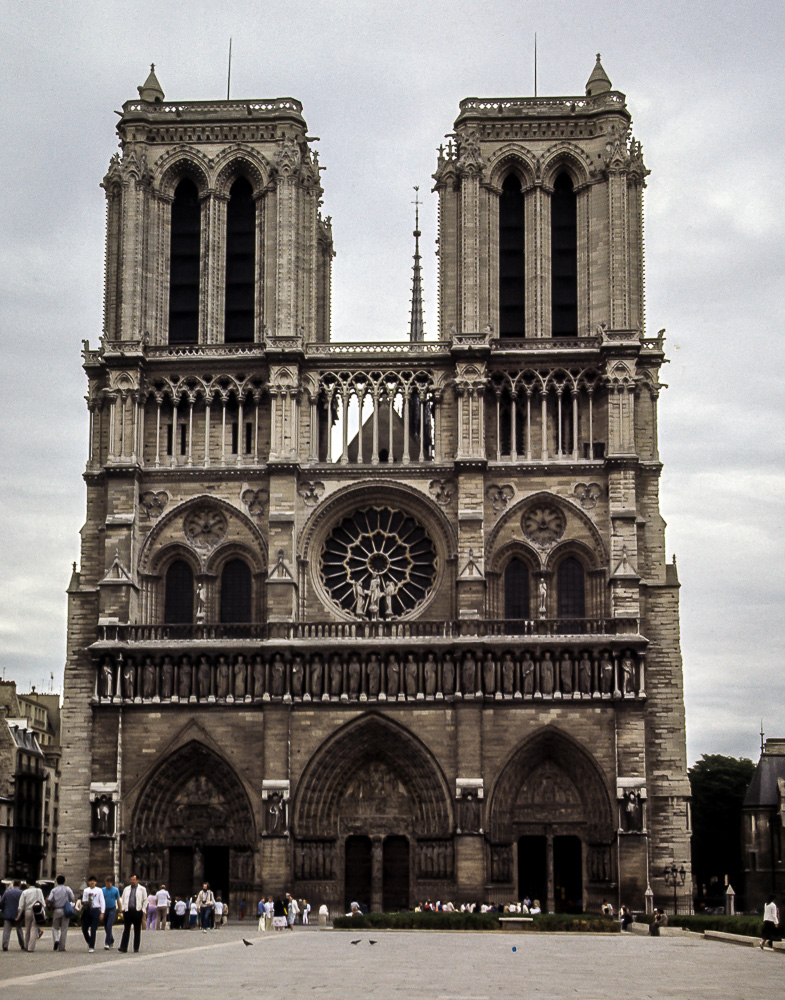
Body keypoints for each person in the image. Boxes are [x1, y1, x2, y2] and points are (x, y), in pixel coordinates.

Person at [118, 874, 148, 953]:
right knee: (126, 929)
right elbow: (123, 899)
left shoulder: (142, 889)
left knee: (137, 930)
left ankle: (136, 947)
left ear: (137, 880)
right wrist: (123, 910)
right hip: (128, 911)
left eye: (134, 880)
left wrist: (143, 910)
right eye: (131, 879)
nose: (132, 881)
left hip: (137, 911)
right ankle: (123, 947)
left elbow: (145, 900)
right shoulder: (126, 889)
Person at [17, 881, 47, 952]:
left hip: (28, 911)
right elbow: (43, 903)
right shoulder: (39, 891)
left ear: (28, 884)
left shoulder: (25, 892)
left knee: (27, 929)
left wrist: (19, 915)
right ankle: (31, 948)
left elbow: (21, 906)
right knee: (34, 929)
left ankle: (25, 945)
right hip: (38, 911)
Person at [48, 875, 75, 952]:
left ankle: (56, 939)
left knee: (54, 927)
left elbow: (50, 899)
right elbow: (72, 898)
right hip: (66, 910)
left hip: (57, 909)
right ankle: (62, 947)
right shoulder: (67, 889)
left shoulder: (54, 890)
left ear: (56, 881)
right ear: (64, 881)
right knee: (64, 929)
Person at [80, 875, 105, 952]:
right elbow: (83, 900)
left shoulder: (99, 890)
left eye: (94, 881)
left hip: (95, 910)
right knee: (84, 929)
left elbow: (102, 901)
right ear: (88, 882)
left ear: (96, 882)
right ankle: (89, 941)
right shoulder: (86, 890)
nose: (92, 882)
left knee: (93, 929)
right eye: (91, 881)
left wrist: (102, 912)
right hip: (87, 910)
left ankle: (91, 946)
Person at [1, 880, 25, 951]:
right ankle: (22, 945)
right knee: (19, 929)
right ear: (19, 885)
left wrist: (3, 910)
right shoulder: (21, 893)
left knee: (6, 930)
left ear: (13, 884)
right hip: (17, 914)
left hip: (8, 913)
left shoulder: (7, 892)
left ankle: (5, 945)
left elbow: (2, 902)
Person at [102, 876, 121, 949]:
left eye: (109, 883)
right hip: (105, 909)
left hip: (112, 909)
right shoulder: (102, 890)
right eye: (106, 883)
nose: (107, 885)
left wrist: (120, 911)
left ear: (111, 883)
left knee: (109, 925)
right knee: (106, 927)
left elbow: (118, 900)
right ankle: (111, 939)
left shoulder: (115, 890)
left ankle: (107, 943)